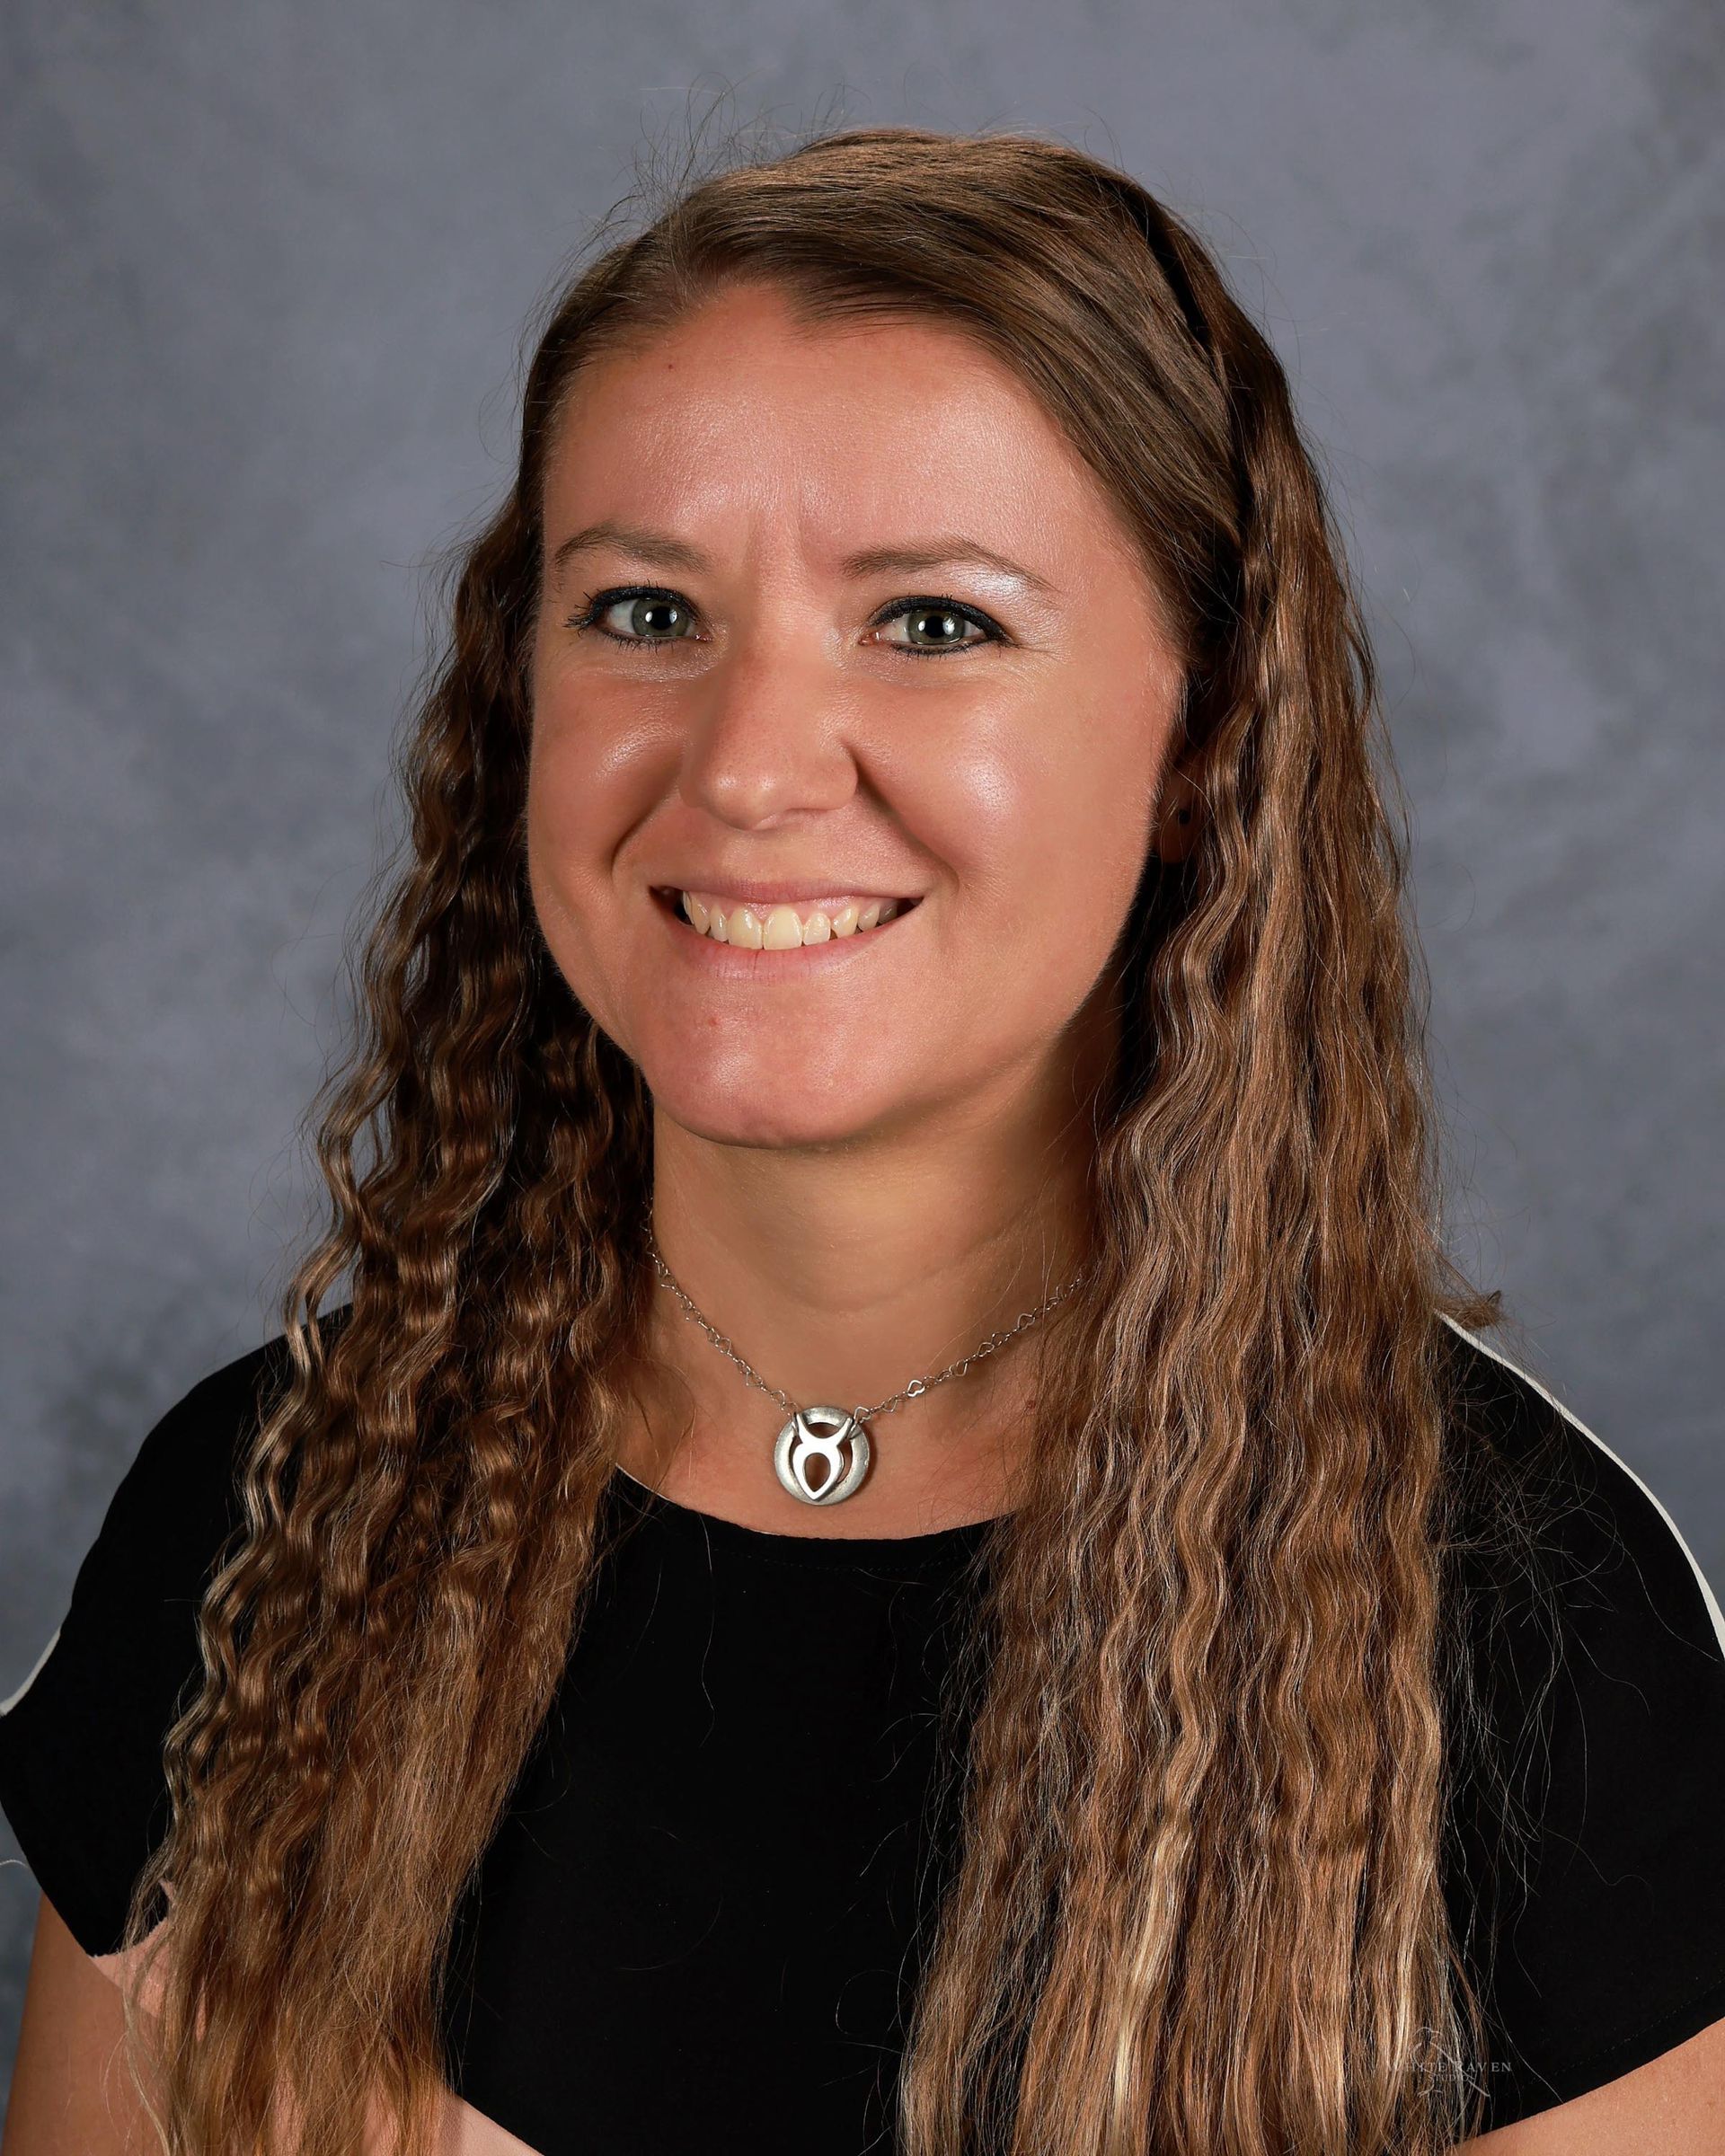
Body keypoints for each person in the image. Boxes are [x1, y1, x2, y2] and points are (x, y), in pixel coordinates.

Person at [2, 123, 1721, 2156]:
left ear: (1204, 744)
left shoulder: (1528, 1628)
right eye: (643, 613)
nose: (743, 769)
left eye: (934, 625)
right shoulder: (266, 1524)